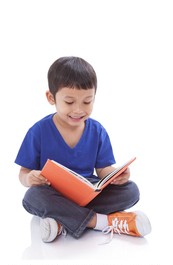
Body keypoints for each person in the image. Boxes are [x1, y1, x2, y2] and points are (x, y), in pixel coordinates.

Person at [15, 56, 151, 243]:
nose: (78, 110)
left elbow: (103, 169)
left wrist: (115, 175)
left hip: (87, 192)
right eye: (69, 102)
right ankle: (103, 222)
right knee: (32, 196)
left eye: (87, 102)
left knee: (131, 190)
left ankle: (62, 221)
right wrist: (29, 178)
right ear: (51, 98)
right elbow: (23, 173)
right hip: (52, 193)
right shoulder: (38, 131)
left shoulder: (97, 131)